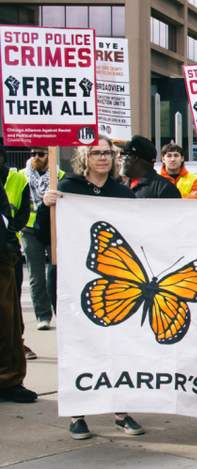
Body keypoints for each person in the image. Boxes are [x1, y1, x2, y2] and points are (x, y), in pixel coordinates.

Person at [37, 142, 143, 436]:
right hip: (69, 278)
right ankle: (77, 415)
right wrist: (47, 206)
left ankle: (121, 412)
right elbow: (43, 235)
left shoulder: (122, 193)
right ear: (85, 157)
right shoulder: (66, 189)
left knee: (117, 346)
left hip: (115, 288)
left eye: (108, 153)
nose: (103, 158)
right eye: (96, 152)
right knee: (77, 346)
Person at [0, 173, 35, 403]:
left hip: (2, 253)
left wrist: (10, 247)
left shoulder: (11, 178)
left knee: (7, 321)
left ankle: (8, 380)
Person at [19, 146, 61, 331]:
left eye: (41, 154)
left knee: (57, 274)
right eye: (33, 154)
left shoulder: (60, 176)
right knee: (36, 277)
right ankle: (43, 316)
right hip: (29, 231)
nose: (36, 157)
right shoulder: (22, 176)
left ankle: (62, 312)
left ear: (49, 156)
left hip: (54, 229)